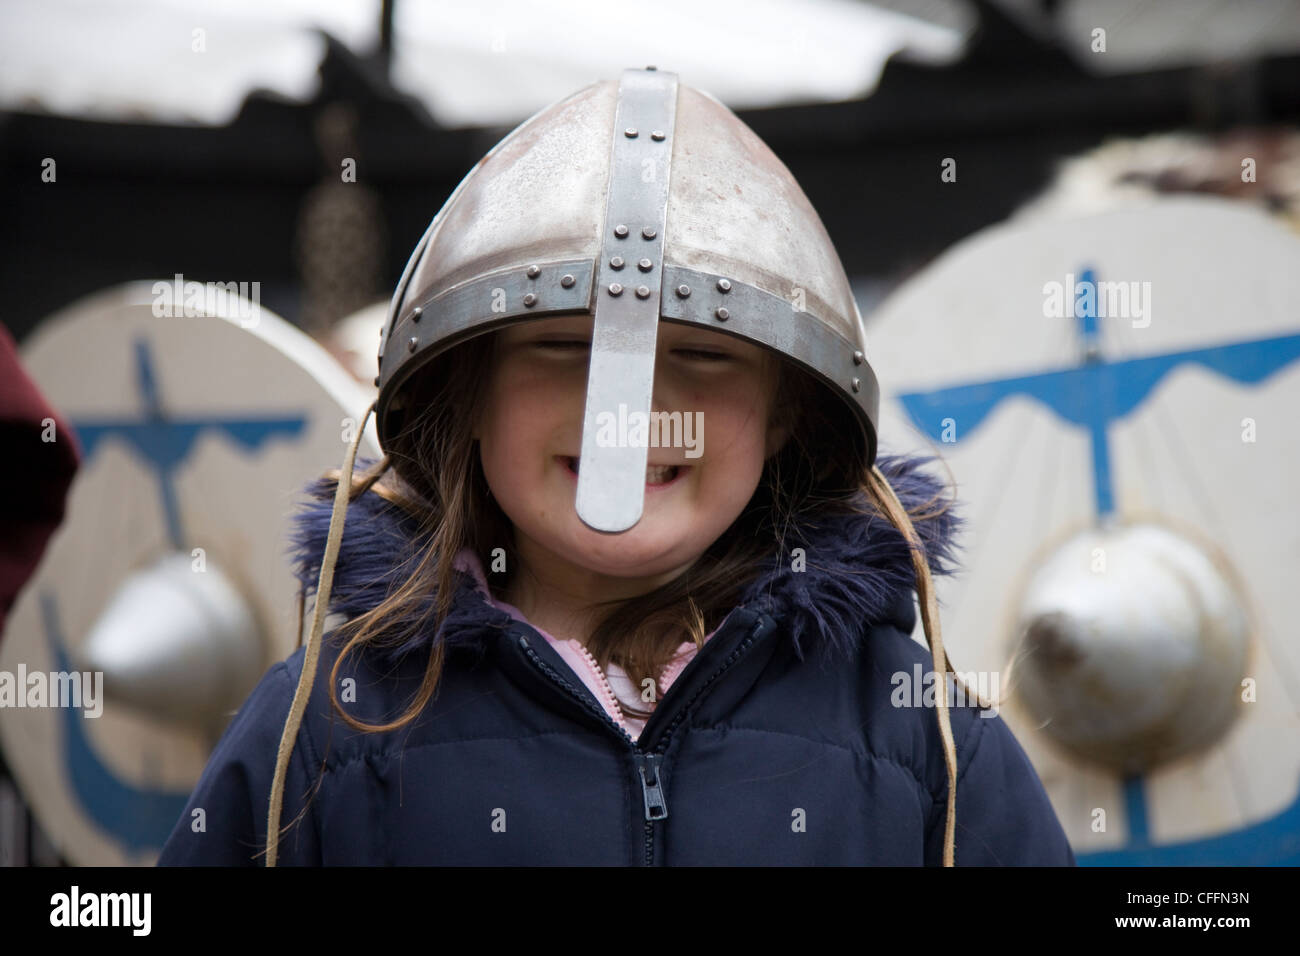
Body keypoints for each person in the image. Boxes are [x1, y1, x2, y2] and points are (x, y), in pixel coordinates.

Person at [157, 68, 1076, 866]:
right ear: (466, 392)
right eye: (561, 345)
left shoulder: (915, 733)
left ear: (789, 411)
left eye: (708, 355)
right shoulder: (329, 725)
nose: (629, 412)